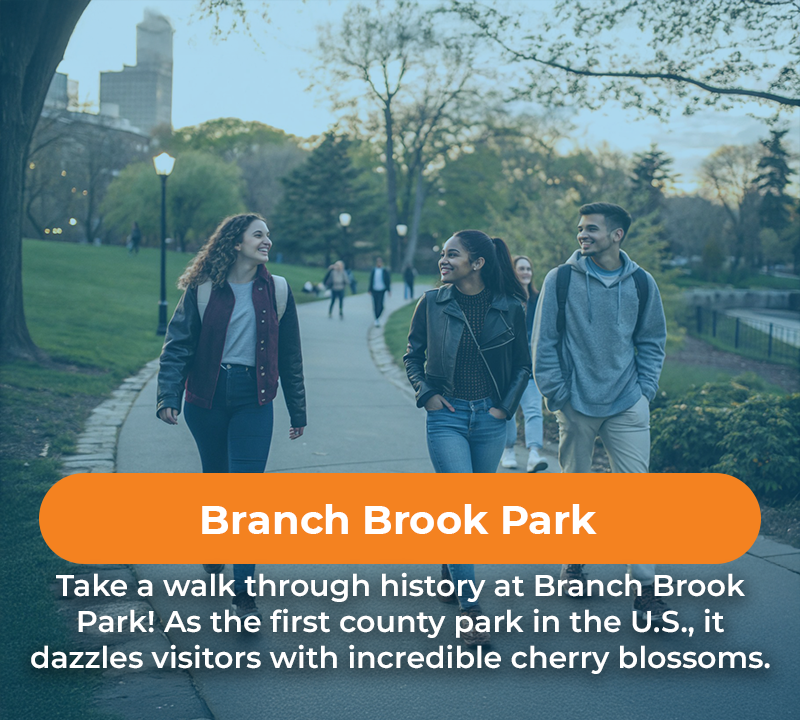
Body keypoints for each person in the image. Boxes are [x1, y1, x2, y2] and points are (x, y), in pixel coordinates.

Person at [156, 213, 307, 625]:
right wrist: (168, 394)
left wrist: (298, 409)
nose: (267, 241)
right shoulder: (203, 289)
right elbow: (177, 346)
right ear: (236, 243)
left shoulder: (277, 290)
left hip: (254, 400)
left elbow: (290, 355)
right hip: (206, 399)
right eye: (259, 235)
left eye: (268, 236)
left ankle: (243, 593)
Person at [531, 202, 668, 621]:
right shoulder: (561, 280)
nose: (583, 235)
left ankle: (645, 588)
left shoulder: (642, 283)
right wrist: (558, 394)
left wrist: (644, 391)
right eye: (580, 229)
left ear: (617, 234)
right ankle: (575, 560)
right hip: (576, 404)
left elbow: (651, 340)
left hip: (627, 402)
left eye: (591, 229)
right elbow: (544, 343)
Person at [404, 230, 531, 646]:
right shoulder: (431, 303)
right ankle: (471, 609)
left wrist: (503, 409)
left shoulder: (510, 307)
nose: (443, 261)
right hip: (448, 418)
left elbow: (522, 367)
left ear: (477, 263)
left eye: (453, 255)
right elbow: (412, 355)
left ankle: (450, 565)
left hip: (491, 419)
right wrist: (428, 395)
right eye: (442, 254)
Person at [501, 255, 548, 473]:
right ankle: (508, 450)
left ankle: (534, 454)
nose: (526, 272)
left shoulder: (539, 300)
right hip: (509, 368)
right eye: (521, 268)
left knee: (533, 411)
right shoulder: (505, 299)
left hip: (532, 368)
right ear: (513, 271)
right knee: (509, 410)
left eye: (529, 268)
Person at [368, 257, 391, 326]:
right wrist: (369, 289)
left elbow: (387, 281)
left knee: (380, 304)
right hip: (375, 289)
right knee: (375, 304)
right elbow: (371, 280)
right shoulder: (374, 270)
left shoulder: (384, 271)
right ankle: (376, 318)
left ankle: (378, 316)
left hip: (381, 289)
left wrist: (389, 290)